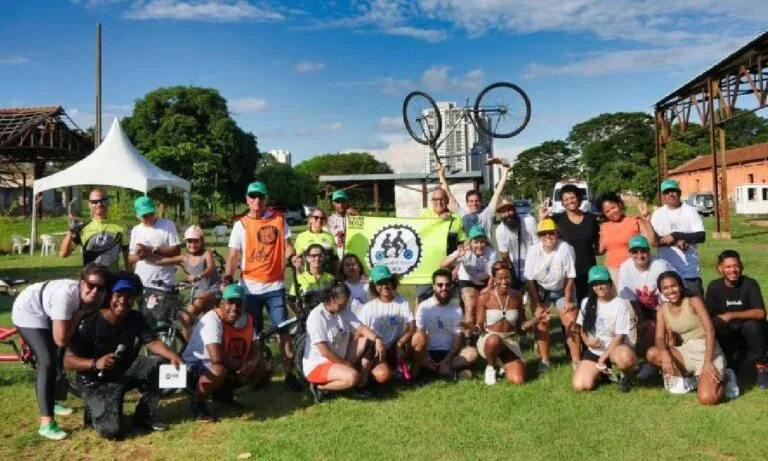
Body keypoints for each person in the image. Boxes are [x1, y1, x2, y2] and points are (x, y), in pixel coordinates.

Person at [64, 273, 184, 439]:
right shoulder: (90, 321)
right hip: (94, 380)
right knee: (113, 432)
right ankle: (95, 410)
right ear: (109, 295)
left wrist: (173, 355)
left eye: (129, 296)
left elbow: (152, 342)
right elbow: (67, 361)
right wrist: (95, 363)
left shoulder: (135, 317)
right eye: (119, 295)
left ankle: (144, 414)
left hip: (124, 371)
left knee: (159, 364)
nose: (123, 300)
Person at [12, 263, 110, 440]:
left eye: (100, 287)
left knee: (60, 353)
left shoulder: (98, 297)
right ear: (82, 283)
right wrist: (79, 315)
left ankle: (54, 400)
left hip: (47, 306)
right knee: (47, 360)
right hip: (29, 310)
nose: (95, 291)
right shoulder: (65, 297)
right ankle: (46, 423)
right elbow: (61, 340)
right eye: (91, 285)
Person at [224, 180, 298, 389]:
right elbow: (233, 255)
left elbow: (288, 246)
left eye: (261, 197)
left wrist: (293, 258)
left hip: (275, 287)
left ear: (266, 199)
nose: (257, 200)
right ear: (247, 199)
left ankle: (289, 374)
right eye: (253, 196)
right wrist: (228, 276)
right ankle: (261, 373)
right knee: (254, 335)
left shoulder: (279, 219)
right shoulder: (241, 224)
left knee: (282, 330)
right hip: (250, 288)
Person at [183, 284, 271, 421]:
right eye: (230, 303)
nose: (234, 308)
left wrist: (252, 364)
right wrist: (240, 367)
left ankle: (223, 395)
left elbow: (255, 347)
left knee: (263, 367)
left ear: (244, 305)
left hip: (228, 362)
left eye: (239, 303)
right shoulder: (212, 319)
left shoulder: (246, 319)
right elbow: (216, 357)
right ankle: (198, 402)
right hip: (197, 365)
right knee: (219, 371)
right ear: (222, 303)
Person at [646, 271, 726, 405]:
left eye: (674, 286)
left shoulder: (693, 301)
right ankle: (689, 379)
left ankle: (726, 378)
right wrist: (665, 353)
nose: (671, 290)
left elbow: (710, 330)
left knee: (708, 399)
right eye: (665, 288)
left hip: (708, 351)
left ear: (680, 286)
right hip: (687, 350)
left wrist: (708, 362)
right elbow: (659, 338)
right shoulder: (662, 310)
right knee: (652, 353)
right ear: (660, 291)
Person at [302, 281, 386, 403]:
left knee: (370, 342)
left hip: (339, 356)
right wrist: (346, 364)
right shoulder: (316, 317)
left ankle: (361, 387)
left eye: (346, 304)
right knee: (352, 377)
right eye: (341, 305)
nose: (344, 308)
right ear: (331, 299)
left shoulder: (342, 310)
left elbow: (361, 328)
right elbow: (324, 352)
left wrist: (377, 339)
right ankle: (320, 388)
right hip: (319, 364)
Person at [705, 250, 768, 389]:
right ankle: (732, 362)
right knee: (717, 328)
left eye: (736, 266)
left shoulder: (750, 284)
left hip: (751, 332)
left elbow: (761, 313)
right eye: (728, 267)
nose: (733, 270)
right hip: (728, 334)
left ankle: (762, 367)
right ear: (720, 268)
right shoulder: (714, 287)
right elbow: (709, 317)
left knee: (752, 325)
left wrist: (730, 315)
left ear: (741, 266)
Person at [523, 218, 579, 371]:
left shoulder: (565, 248)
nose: (547, 237)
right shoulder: (534, 250)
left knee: (570, 320)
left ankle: (576, 361)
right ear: (539, 237)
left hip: (562, 287)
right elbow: (529, 280)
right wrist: (537, 304)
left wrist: (567, 301)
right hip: (541, 289)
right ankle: (545, 360)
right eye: (543, 234)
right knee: (541, 322)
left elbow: (570, 276)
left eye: (551, 233)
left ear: (557, 234)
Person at [477, 262, 546, 386]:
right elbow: (479, 326)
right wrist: (472, 328)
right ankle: (490, 367)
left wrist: (536, 318)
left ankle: (501, 365)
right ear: (494, 279)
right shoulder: (484, 296)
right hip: (489, 339)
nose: (504, 281)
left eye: (507, 278)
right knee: (494, 340)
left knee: (518, 380)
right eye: (500, 278)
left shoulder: (517, 296)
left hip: (510, 340)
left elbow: (521, 327)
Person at [572, 266, 636, 393]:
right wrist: (587, 341)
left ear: (610, 283)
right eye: (595, 284)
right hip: (594, 350)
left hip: (614, 349)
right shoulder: (586, 302)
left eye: (602, 283)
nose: (599, 287)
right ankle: (601, 374)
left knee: (624, 358)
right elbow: (582, 328)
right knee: (580, 386)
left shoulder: (621, 304)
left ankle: (626, 376)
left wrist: (603, 359)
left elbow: (619, 337)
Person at [153, 225, 220, 341]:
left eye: (195, 242)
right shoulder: (185, 258)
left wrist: (199, 276)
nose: (192, 245)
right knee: (185, 320)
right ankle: (187, 347)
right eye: (189, 242)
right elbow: (161, 261)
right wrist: (149, 253)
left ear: (201, 241)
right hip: (196, 293)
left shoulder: (206, 254)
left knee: (199, 307)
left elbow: (211, 268)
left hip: (212, 290)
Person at [411, 269, 478, 380]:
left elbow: (457, 338)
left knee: (472, 353)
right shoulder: (424, 307)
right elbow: (419, 334)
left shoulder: (456, 309)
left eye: (447, 285)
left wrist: (447, 359)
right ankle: (447, 371)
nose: (444, 288)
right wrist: (428, 357)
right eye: (440, 285)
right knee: (417, 340)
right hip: (428, 352)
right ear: (433, 286)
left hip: (448, 353)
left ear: (451, 286)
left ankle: (434, 370)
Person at [617, 235, 674, 358]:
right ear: (630, 253)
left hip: (670, 303)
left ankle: (671, 358)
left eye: (643, 251)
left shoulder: (659, 266)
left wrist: (661, 323)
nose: (639, 255)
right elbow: (630, 298)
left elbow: (668, 300)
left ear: (649, 251)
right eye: (635, 252)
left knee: (668, 329)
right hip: (646, 305)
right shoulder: (625, 268)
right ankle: (644, 361)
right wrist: (642, 320)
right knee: (646, 328)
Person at [357, 265, 415, 385]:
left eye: (387, 282)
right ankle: (370, 373)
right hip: (376, 351)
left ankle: (409, 370)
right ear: (374, 286)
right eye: (380, 283)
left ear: (392, 282)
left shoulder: (402, 301)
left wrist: (400, 343)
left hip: (395, 347)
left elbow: (412, 326)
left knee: (418, 337)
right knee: (383, 375)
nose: (384, 286)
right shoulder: (369, 307)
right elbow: (359, 332)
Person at [543, 184, 599, 303]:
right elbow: (544, 237)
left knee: (589, 305)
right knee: (571, 309)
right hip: (566, 273)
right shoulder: (557, 219)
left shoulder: (591, 219)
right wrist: (542, 218)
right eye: (566, 199)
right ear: (562, 203)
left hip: (588, 271)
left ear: (579, 198)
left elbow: (598, 243)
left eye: (572, 197)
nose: (570, 201)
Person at [650, 179, 706, 296]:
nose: (671, 194)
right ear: (663, 196)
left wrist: (676, 235)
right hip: (665, 271)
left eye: (674, 191)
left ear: (679, 193)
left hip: (689, 272)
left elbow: (701, 236)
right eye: (667, 192)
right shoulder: (657, 214)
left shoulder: (690, 211)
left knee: (696, 307)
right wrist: (676, 242)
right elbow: (654, 241)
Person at [415, 186, 467, 304]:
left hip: (448, 272)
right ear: (431, 201)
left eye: (442, 199)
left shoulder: (456, 219)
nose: (439, 202)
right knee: (422, 305)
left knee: (449, 307)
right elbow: (416, 237)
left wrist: (457, 269)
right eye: (435, 199)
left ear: (447, 200)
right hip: (426, 272)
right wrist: (439, 221)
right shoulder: (423, 217)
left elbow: (463, 245)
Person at [440, 224, 498, 329]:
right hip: (468, 280)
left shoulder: (491, 253)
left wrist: (488, 291)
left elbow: (492, 276)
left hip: (486, 280)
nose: (479, 245)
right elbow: (443, 263)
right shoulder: (464, 252)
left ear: (486, 242)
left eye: (482, 242)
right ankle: (469, 336)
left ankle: (482, 332)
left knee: (484, 306)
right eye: (476, 242)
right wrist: (457, 255)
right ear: (470, 243)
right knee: (470, 305)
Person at [436, 159, 510, 236]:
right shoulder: (461, 214)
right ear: (467, 203)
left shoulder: (487, 213)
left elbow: (497, 193)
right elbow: (447, 193)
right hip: (467, 247)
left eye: (477, 201)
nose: (474, 203)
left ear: (481, 202)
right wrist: (441, 174)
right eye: (471, 201)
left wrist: (505, 171)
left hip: (486, 247)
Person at [60, 187, 129, 270]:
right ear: (89, 204)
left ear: (108, 202)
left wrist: (130, 277)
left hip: (112, 278)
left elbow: (127, 256)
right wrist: (70, 232)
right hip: (91, 279)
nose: (99, 204)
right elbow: (64, 254)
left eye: (102, 200)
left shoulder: (120, 227)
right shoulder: (82, 228)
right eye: (95, 202)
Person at [597, 193, 656, 286]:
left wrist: (647, 222)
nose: (611, 212)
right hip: (612, 273)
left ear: (619, 205)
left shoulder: (635, 221)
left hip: (634, 270)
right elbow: (600, 250)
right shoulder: (604, 227)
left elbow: (652, 242)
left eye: (613, 208)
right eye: (607, 211)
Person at [128, 195, 181, 293]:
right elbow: (131, 258)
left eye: (151, 214)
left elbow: (176, 251)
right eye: (144, 216)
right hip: (142, 282)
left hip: (164, 282)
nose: (148, 218)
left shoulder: (167, 224)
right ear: (138, 216)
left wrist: (151, 250)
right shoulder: (136, 230)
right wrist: (140, 255)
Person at [495, 196, 537, 287]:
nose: (507, 214)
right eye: (503, 211)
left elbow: (537, 247)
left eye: (509, 209)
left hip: (534, 270)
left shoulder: (529, 221)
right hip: (516, 272)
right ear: (500, 214)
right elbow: (505, 256)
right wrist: (512, 276)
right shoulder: (500, 230)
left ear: (515, 209)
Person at [289, 243, 335, 310]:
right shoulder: (300, 279)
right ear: (307, 258)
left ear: (324, 257)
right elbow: (291, 300)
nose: (317, 259)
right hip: (308, 319)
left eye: (320, 255)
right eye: (313, 256)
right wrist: (299, 314)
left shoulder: (331, 278)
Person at [295, 207, 338, 274]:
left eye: (322, 218)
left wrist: (338, 276)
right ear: (310, 219)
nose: (319, 220)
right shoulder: (301, 237)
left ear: (325, 220)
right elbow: (298, 262)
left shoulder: (330, 236)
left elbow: (335, 259)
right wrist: (299, 277)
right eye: (316, 217)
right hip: (310, 279)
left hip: (329, 278)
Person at [328, 190, 359, 261]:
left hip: (353, 255)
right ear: (333, 203)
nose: (340, 205)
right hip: (337, 257)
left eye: (343, 201)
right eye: (338, 202)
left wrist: (358, 216)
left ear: (347, 202)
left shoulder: (354, 217)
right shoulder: (329, 220)